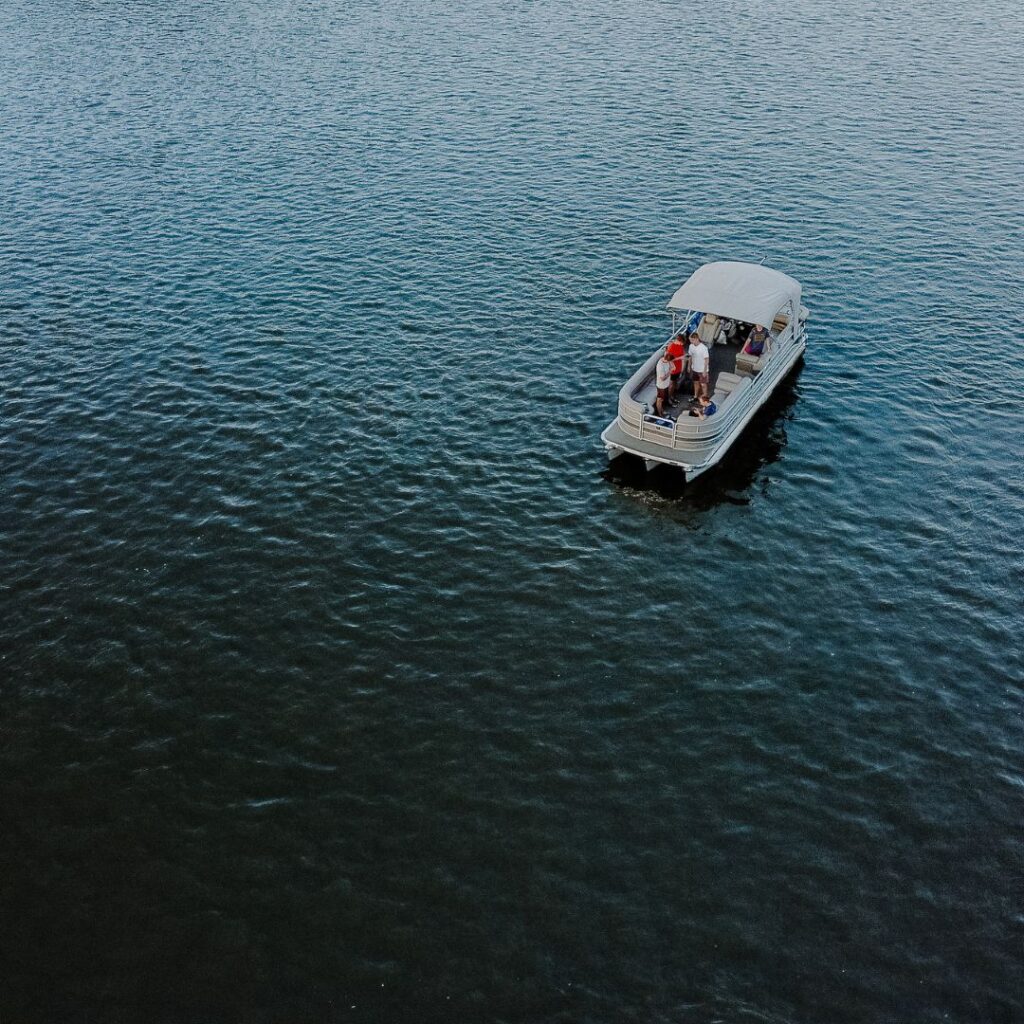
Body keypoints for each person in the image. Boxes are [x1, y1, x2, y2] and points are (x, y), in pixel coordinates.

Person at [688, 331, 710, 399]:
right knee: (696, 383)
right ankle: (695, 396)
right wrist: (689, 366)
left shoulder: (703, 348)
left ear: (697, 339)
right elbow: (690, 356)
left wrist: (704, 371)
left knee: (703, 384)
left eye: (692, 340)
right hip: (694, 368)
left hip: (702, 369)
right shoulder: (691, 346)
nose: (691, 342)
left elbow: (707, 360)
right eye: (690, 340)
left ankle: (705, 398)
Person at [666, 332, 686, 398]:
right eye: (681, 343)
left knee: (675, 383)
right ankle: (669, 397)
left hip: (679, 368)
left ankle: (673, 395)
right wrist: (679, 358)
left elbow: (683, 356)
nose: (681, 344)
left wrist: (682, 369)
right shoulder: (671, 347)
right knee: (671, 384)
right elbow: (668, 360)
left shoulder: (680, 346)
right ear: (678, 340)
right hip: (673, 369)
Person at [654, 348, 673, 416]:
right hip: (661, 386)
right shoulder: (660, 366)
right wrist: (670, 372)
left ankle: (662, 410)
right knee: (659, 400)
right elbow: (662, 378)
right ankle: (660, 414)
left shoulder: (666, 360)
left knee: (662, 399)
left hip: (666, 385)